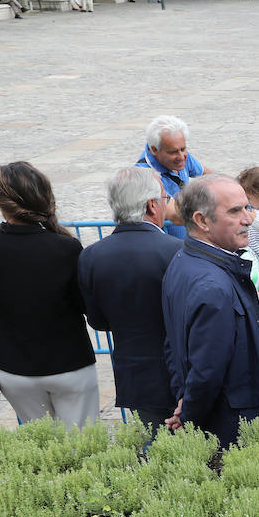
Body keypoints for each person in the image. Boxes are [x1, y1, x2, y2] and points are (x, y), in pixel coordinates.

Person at [0, 162, 99, 428]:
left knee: (42, 445)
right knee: (85, 445)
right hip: (69, 361)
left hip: (12, 365)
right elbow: (83, 304)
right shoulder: (67, 247)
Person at [161, 175, 259, 448]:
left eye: (246, 208)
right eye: (234, 211)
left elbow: (175, 346)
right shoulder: (213, 285)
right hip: (238, 430)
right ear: (202, 221)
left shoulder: (183, 261)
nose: (248, 219)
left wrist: (184, 402)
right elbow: (206, 368)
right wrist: (188, 413)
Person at [77, 168, 183, 430]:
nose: (166, 203)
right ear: (151, 205)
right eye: (165, 198)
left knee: (155, 449)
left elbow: (98, 321)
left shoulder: (91, 255)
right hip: (179, 374)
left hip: (134, 374)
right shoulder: (177, 251)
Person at [135, 115, 211, 238]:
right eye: (173, 152)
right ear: (154, 149)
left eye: (183, 149)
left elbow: (209, 176)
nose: (181, 156)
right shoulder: (144, 176)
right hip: (170, 250)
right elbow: (176, 216)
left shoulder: (180, 156)